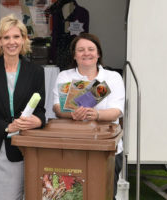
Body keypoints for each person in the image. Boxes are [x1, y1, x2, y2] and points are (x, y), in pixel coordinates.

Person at [0, 14, 46, 200]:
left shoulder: (36, 71)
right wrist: (6, 127)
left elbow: (40, 111)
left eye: (16, 37)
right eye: (6, 37)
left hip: (18, 151)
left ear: (24, 40)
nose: (12, 42)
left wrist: (37, 121)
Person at [52, 32, 125, 199]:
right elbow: (57, 107)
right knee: (71, 194)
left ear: (98, 54)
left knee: (102, 194)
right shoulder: (65, 76)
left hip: (105, 148)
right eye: (81, 50)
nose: (86, 53)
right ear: (74, 55)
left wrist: (96, 114)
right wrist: (72, 115)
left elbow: (117, 110)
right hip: (72, 146)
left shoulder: (112, 77)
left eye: (91, 49)